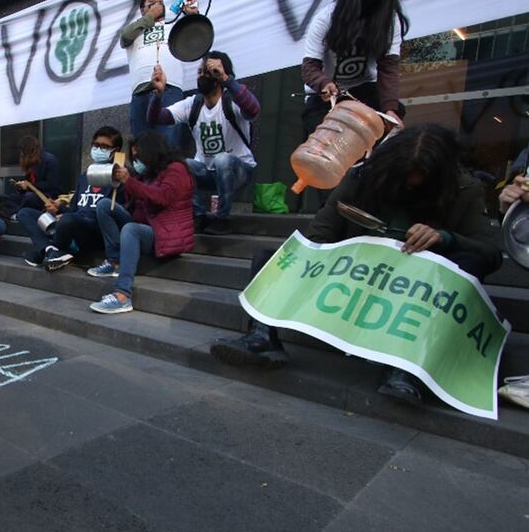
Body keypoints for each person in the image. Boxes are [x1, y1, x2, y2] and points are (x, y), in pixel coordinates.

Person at [211, 125, 502, 404]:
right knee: (276, 257)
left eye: (421, 180)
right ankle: (262, 336)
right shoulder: (363, 177)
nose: (411, 185)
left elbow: (490, 253)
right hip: (358, 274)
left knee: (470, 261)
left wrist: (445, 238)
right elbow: (319, 234)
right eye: (404, 178)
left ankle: (407, 367)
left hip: (417, 286)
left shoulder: (465, 189)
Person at [301, 0, 409, 152]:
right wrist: (324, 83)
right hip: (326, 97)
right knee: (323, 149)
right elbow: (309, 67)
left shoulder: (389, 21)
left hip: (365, 91)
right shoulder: (326, 18)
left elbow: (388, 68)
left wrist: (390, 109)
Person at [149, 50, 260, 234]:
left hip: (238, 171)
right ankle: (198, 215)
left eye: (208, 72)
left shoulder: (232, 100)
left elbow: (254, 110)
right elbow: (157, 118)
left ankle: (222, 219)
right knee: (179, 165)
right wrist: (158, 95)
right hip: (208, 172)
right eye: (200, 72)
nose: (202, 76)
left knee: (222, 159)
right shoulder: (193, 104)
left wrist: (227, 79)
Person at [88, 132, 194, 313]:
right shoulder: (148, 172)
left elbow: (162, 197)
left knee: (131, 229)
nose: (137, 161)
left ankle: (122, 294)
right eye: (134, 157)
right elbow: (136, 199)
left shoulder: (176, 170)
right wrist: (122, 181)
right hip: (147, 226)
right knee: (105, 205)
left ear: (152, 153)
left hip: (166, 234)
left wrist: (130, 181)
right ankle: (114, 261)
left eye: (139, 156)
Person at [19, 127, 123, 270]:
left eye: (104, 147)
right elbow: (73, 210)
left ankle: (47, 252)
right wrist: (58, 208)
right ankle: (50, 250)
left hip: (93, 232)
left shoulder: (119, 180)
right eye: (96, 145)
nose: (98, 149)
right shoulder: (85, 175)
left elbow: (116, 216)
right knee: (25, 213)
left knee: (68, 220)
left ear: (115, 150)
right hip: (73, 223)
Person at [119, 0, 197, 146]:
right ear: (143, 10)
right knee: (141, 146)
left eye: (160, 1)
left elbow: (196, 37)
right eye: (152, 2)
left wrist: (192, 15)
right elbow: (125, 36)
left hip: (170, 89)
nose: (158, 4)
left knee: (168, 143)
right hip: (141, 92)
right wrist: (150, 16)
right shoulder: (136, 30)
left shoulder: (173, 24)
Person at [11, 136, 60, 213]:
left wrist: (29, 186)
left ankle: (18, 213)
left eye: (23, 152)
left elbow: (52, 185)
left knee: (29, 198)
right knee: (9, 198)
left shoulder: (50, 160)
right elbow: (28, 182)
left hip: (47, 195)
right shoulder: (31, 162)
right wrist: (21, 187)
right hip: (32, 193)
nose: (21, 154)